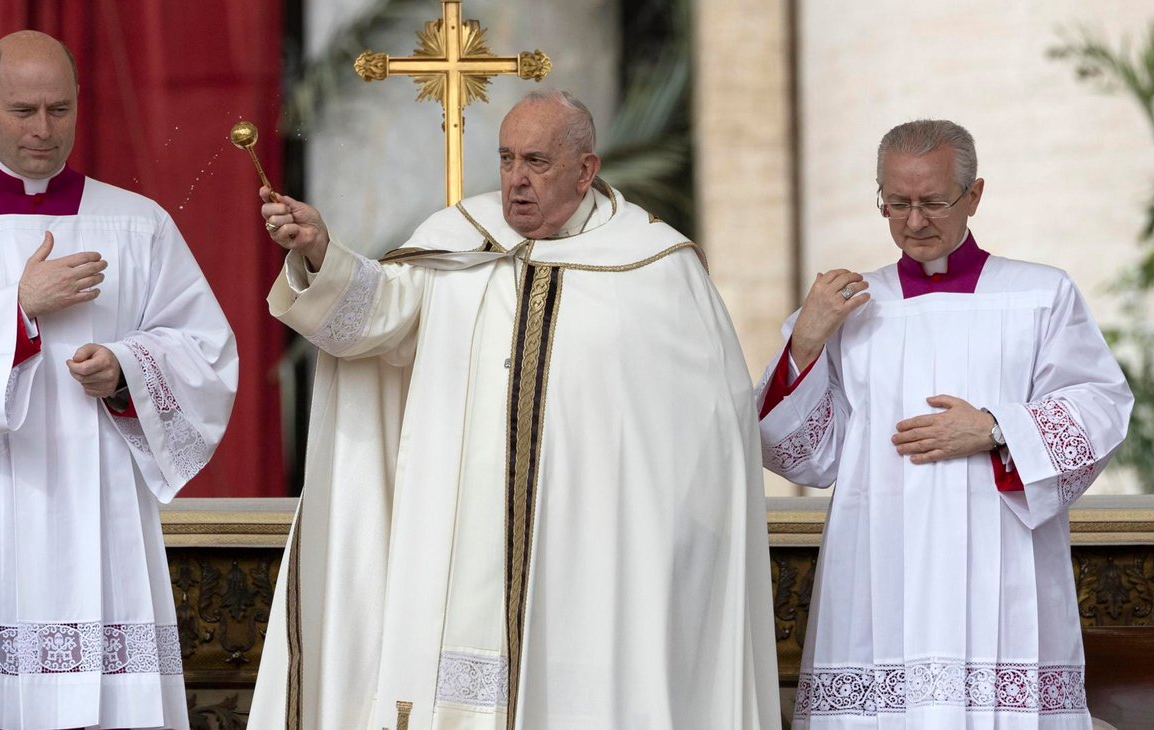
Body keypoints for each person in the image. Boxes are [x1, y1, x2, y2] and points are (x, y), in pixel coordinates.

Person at [247, 89, 780, 730]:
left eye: (536, 162)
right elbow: (371, 318)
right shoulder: (459, 239)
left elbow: (708, 429)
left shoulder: (658, 268)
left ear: (586, 170)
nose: (515, 182)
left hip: (594, 550)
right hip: (461, 535)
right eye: (505, 160)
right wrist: (318, 252)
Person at [0, 30, 238, 730]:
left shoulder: (138, 224)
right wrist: (18, 310)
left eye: (60, 110)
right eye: (23, 110)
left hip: (97, 501)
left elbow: (205, 349)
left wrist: (126, 369)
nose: (43, 130)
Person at [757, 119, 1133, 729]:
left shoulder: (1039, 295)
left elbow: (1102, 406)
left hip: (1001, 565)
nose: (913, 221)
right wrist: (804, 342)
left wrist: (994, 428)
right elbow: (806, 454)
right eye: (896, 203)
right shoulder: (848, 310)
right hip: (879, 566)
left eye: (932, 202)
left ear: (974, 195)